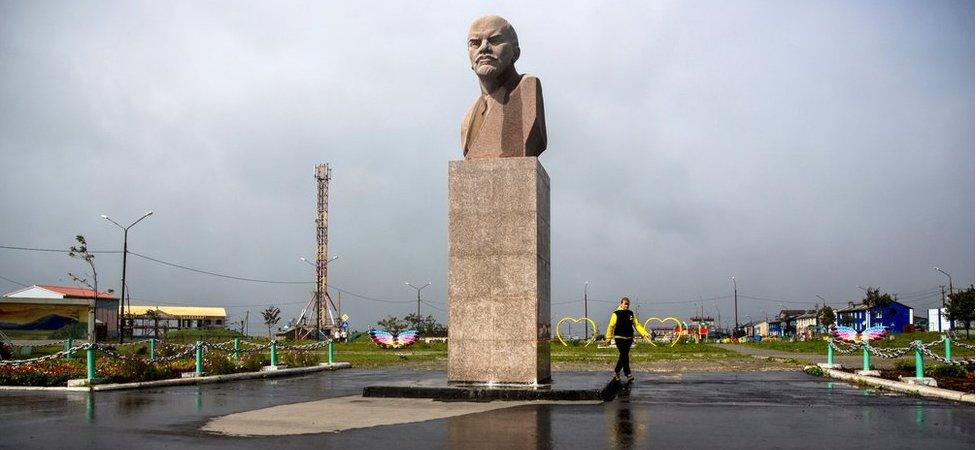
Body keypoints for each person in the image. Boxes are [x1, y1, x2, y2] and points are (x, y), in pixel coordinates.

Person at [461, 15, 547, 159]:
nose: (484, 48)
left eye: (495, 40)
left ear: (515, 53)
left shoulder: (527, 89)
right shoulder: (467, 119)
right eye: (475, 43)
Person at [604, 297, 651, 383]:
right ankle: (624, 373)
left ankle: (622, 373)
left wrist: (645, 333)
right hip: (619, 337)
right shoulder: (616, 313)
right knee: (624, 354)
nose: (627, 305)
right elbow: (611, 326)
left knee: (624, 356)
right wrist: (608, 338)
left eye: (628, 304)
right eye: (625, 304)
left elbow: (637, 325)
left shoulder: (631, 313)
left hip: (629, 338)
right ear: (621, 304)